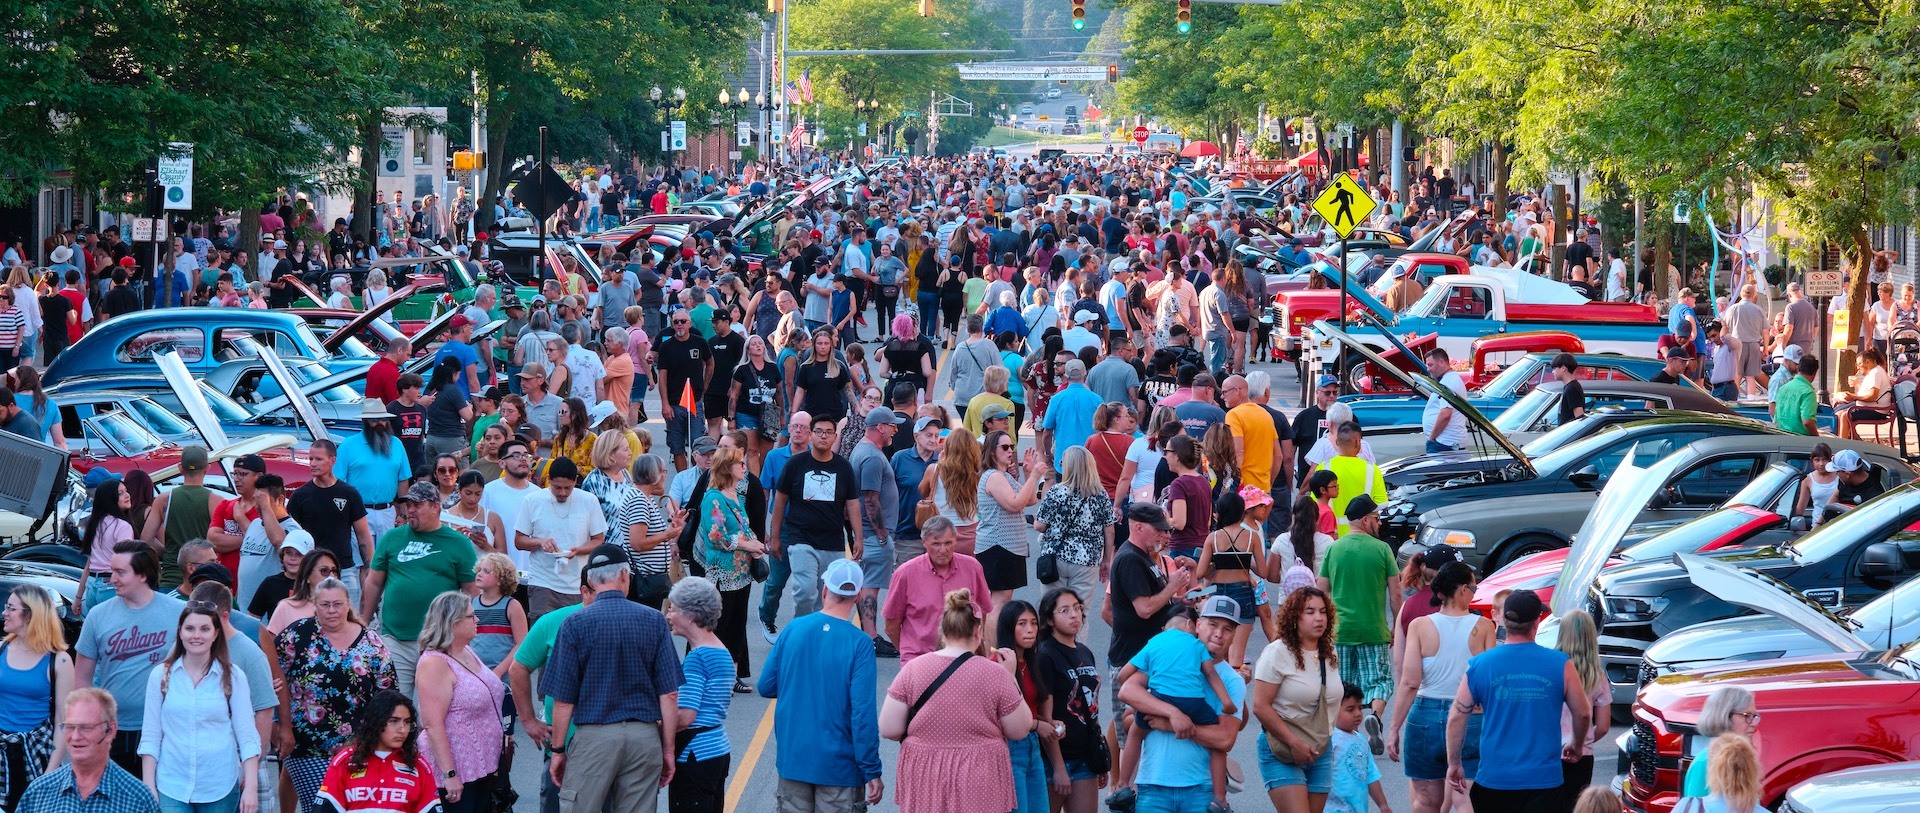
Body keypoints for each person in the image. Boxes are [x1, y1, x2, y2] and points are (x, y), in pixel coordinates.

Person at [543, 545, 684, 813]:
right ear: (623, 575)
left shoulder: (574, 624)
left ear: (591, 582)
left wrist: (558, 750)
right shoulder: (654, 620)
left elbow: (562, 700)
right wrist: (667, 749)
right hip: (643, 737)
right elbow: (669, 694)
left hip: (593, 737)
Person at [878, 588, 1032, 813]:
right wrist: (1011, 677)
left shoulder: (914, 669)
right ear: (978, 632)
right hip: (980, 773)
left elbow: (889, 728)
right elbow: (1019, 729)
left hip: (926, 773)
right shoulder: (995, 673)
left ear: (942, 631)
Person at [756, 554, 884, 810]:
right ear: (857, 596)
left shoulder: (794, 629)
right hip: (840, 768)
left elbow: (766, 685)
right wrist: (871, 769)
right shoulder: (859, 643)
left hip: (794, 760)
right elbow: (862, 714)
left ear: (825, 590)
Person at [1446, 589, 1590, 813]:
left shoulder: (1480, 664)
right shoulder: (1560, 663)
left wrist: (1454, 763)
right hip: (1543, 781)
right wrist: (1577, 744)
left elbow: (1457, 716)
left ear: (1503, 619)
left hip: (1494, 779)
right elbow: (1582, 713)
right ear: (1537, 620)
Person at [1113, 597, 1248, 813]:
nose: (1219, 634)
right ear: (1197, 625)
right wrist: (1173, 713)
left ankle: (1121, 786)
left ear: (1234, 636)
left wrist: (1169, 724)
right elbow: (1127, 697)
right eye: (1213, 624)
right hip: (1153, 784)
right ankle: (1121, 785)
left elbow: (1224, 740)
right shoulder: (1166, 657)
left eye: (1228, 629)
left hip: (1201, 789)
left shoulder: (1232, 681)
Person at [273, 578, 396, 813]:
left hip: (359, 746)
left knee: (355, 807)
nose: (331, 610)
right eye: (325, 604)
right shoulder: (297, 635)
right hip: (307, 744)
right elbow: (272, 678)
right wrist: (278, 725)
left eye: (338, 604)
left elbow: (388, 694)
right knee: (320, 807)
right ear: (314, 605)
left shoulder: (371, 642)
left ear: (348, 604)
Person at [1385, 562, 1491, 813]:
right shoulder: (1483, 627)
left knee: (1424, 801)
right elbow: (1490, 682)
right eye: (1474, 588)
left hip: (1425, 716)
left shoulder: (1420, 626)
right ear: (1463, 589)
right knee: (1466, 797)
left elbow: (1410, 683)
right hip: (1470, 716)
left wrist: (1394, 729)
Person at [137, 599, 261, 813]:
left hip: (219, 784)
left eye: (205, 629)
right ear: (180, 632)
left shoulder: (233, 676)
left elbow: (247, 736)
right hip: (171, 783)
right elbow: (150, 735)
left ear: (215, 634)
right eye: (190, 628)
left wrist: (251, 787)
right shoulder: (161, 676)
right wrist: (149, 787)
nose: (196, 635)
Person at [361, 482, 479, 698]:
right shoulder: (392, 537)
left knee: (432, 712)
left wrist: (469, 634)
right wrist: (363, 625)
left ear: (435, 507)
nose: (410, 509)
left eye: (417, 504)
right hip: (396, 639)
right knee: (395, 707)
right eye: (408, 504)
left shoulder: (459, 544)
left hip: (440, 642)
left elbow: (472, 592)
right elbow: (374, 582)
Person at [77, 540, 185, 774]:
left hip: (164, 728)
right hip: (111, 730)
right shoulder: (98, 616)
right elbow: (82, 680)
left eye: (120, 572)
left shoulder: (177, 613)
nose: (111, 578)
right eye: (111, 570)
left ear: (143, 575)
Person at [1317, 494, 1400, 753]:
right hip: (1373, 628)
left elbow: (1321, 591)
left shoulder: (1333, 548)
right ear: (1365, 520)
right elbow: (1396, 594)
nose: (1379, 523)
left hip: (1340, 630)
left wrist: (1323, 626)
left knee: (1342, 682)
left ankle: (1343, 734)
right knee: (1380, 680)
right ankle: (1374, 716)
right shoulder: (1382, 549)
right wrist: (1397, 624)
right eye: (1376, 518)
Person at [1250, 586, 1342, 813]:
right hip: (1282, 747)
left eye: (1322, 612)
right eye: (1310, 612)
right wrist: (1294, 743)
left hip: (1320, 747)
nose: (1318, 618)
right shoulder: (1277, 652)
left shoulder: (1329, 651)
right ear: (1295, 616)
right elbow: (1260, 706)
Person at [412, 591, 505, 813]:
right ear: (452, 622)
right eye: (471, 616)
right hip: (457, 770)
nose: (477, 620)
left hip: (481, 765)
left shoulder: (466, 650)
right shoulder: (434, 663)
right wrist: (450, 774)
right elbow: (433, 725)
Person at [767, 413, 863, 620]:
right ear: (811, 435)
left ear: (835, 437)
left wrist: (858, 538)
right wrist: (775, 537)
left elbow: (853, 503)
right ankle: (801, 629)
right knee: (805, 591)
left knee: (824, 596)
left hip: (832, 541)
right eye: (818, 431)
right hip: (800, 538)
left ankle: (818, 633)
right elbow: (780, 500)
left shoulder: (843, 467)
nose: (823, 436)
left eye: (829, 432)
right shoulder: (795, 464)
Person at [692, 447, 766, 688]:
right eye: (740, 464)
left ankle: (731, 677)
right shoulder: (713, 498)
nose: (744, 467)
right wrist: (748, 544)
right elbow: (717, 537)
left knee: (736, 626)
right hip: (723, 574)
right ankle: (712, 675)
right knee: (718, 626)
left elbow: (743, 527)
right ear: (727, 468)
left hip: (742, 574)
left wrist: (753, 544)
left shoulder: (734, 494)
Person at [15, 689, 159, 813]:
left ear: (110, 731)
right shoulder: (39, 792)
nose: (76, 736)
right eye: (70, 727)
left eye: (86, 727)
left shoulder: (138, 799)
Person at [664, 578, 737, 813]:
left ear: (690, 615)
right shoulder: (720, 650)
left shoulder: (698, 658)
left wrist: (653, 730)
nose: (668, 615)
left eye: (673, 609)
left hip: (694, 753)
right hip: (716, 748)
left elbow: (685, 716)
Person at [0, 585, 72, 812]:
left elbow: (64, 721)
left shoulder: (59, 661)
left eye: (11, 608)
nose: (4, 613)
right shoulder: (1, 649)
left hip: (36, 755)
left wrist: (50, 773)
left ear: (31, 615)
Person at [883, 517, 992, 663]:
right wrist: (908, 653)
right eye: (936, 544)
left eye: (948, 543)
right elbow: (891, 626)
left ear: (956, 541)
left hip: (962, 658)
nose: (943, 550)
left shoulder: (972, 568)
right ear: (924, 543)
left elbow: (982, 612)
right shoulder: (905, 574)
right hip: (919, 659)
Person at [1034, 588, 1104, 813]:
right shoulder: (1045, 655)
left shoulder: (1084, 651)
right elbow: (1046, 716)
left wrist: (1099, 754)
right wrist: (1058, 767)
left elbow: (1091, 706)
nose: (1074, 615)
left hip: (1085, 757)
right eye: (1064, 610)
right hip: (1055, 759)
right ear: (1049, 619)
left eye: (1077, 608)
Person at [312, 691, 437, 813]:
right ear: (376, 722)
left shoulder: (418, 765)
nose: (402, 729)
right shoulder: (345, 760)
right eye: (394, 721)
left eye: (407, 722)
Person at [514, 458, 607, 620]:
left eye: (568, 488)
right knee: (542, 635)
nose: (562, 493)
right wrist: (540, 542)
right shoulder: (533, 500)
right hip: (543, 581)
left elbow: (599, 540)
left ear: (575, 482)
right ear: (549, 479)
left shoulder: (588, 500)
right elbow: (519, 541)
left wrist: (579, 550)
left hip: (577, 584)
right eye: (557, 487)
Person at [848, 408, 906, 657]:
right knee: (870, 585)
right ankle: (870, 637)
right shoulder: (871, 457)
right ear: (880, 427)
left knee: (868, 583)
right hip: (874, 534)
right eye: (893, 425)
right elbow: (870, 498)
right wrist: (882, 534)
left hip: (870, 533)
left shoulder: (868, 452)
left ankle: (868, 635)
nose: (896, 430)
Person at [1033, 448, 1116, 617]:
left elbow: (1039, 526)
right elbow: (1109, 531)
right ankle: (1076, 643)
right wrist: (1106, 560)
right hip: (1087, 560)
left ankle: (1051, 643)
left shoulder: (1057, 492)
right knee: (1079, 612)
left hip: (1056, 557)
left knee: (1052, 609)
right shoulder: (1100, 495)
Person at [1197, 489, 1266, 675]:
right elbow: (1263, 571)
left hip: (1219, 592)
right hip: (1243, 592)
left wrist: (1217, 563)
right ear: (1241, 511)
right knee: (1238, 655)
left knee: (1219, 653)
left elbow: (1200, 572)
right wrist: (1245, 560)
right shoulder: (1252, 537)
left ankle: (1220, 696)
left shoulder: (1213, 538)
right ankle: (1236, 697)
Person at [1556, 609, 1611, 809]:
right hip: (1582, 753)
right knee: (1577, 805)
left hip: (1550, 750)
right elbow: (1604, 726)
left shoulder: (1553, 669)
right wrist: (1583, 740)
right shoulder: (1597, 675)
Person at [143, 446, 216, 591]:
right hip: (203, 580)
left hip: (171, 577)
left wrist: (168, 553)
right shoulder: (215, 500)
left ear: (180, 468)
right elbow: (218, 541)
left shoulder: (164, 500)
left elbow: (146, 539)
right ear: (207, 468)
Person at [1680, 687, 1758, 798]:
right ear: (1725, 716)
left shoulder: (1745, 759)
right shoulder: (1704, 763)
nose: (1754, 723)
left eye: (1754, 716)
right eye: (1747, 716)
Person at [1325, 682, 1391, 813]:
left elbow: (1371, 775)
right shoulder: (1329, 739)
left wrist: (1383, 805)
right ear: (1332, 710)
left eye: (1360, 708)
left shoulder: (1361, 740)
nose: (1357, 713)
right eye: (1350, 709)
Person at [76, 477, 136, 614]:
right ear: (110, 499)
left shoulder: (95, 524)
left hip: (91, 586)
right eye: (120, 493)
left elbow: (88, 565)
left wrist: (78, 598)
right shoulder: (122, 526)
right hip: (111, 586)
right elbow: (125, 562)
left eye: (126, 491)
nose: (127, 495)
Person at [1314, 423, 1386, 537]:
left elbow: (1316, 505)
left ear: (1337, 442)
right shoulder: (1372, 469)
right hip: (1362, 536)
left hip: (1331, 537)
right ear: (1358, 442)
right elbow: (1381, 504)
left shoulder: (1323, 468)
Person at [1835, 346, 1893, 439]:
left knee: (1845, 415)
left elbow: (1872, 396)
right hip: (1871, 406)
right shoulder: (1872, 372)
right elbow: (1866, 393)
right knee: (1838, 412)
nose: (1857, 367)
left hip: (1877, 410)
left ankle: (1842, 443)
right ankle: (1850, 439)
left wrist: (1853, 397)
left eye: (1859, 364)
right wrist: (1852, 393)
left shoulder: (1876, 373)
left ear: (1867, 362)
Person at [1421, 347, 1468, 454]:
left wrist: (1432, 438)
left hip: (1445, 444)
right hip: (1446, 443)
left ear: (1441, 362)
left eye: (1430, 365)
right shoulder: (1449, 380)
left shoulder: (1449, 382)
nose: (1428, 369)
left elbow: (1446, 414)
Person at [1774, 355, 1820, 436]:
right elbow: (1808, 422)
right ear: (1815, 373)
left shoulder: (1783, 389)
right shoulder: (1808, 392)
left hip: (1781, 437)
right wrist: (1816, 437)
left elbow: (1776, 419)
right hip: (1800, 441)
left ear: (1798, 368)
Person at [1552, 353, 1586, 425]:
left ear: (1563, 368)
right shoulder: (1568, 387)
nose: (1552, 372)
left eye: (1554, 368)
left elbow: (1579, 417)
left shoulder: (1572, 389)